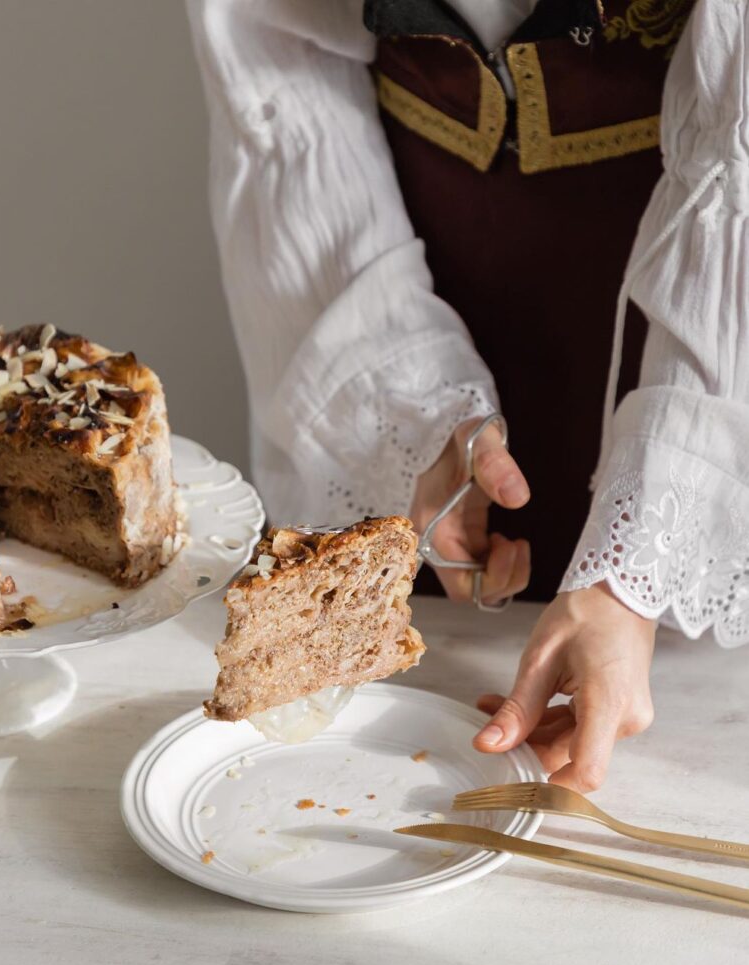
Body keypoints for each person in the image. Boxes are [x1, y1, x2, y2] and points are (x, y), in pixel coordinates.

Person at [186, 0, 749, 790]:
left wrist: (634, 569)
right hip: (399, 247)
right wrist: (419, 419)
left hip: (681, 293)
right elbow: (281, 93)